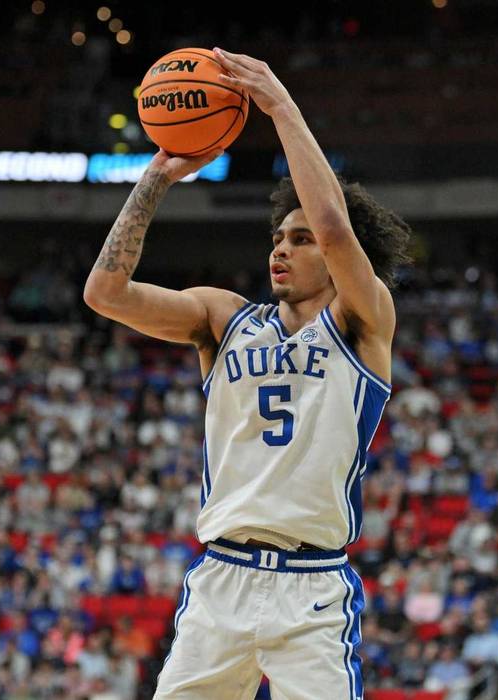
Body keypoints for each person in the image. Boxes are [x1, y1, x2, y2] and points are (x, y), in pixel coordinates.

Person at [83, 47, 411, 699]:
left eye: (298, 239)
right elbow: (105, 293)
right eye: (275, 240)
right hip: (222, 579)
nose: (280, 249)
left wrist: (279, 106)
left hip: (311, 588)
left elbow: (335, 229)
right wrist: (157, 176)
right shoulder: (223, 318)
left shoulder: (362, 321)